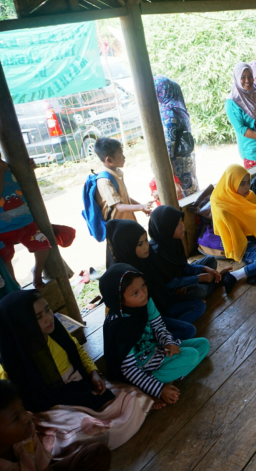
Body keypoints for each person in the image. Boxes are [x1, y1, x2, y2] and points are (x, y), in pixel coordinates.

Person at [0, 290, 152, 456]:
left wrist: (93, 373)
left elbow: (78, 351)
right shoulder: (12, 360)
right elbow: (19, 399)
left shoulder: (57, 334)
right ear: (21, 324)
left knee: (133, 398)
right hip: (50, 406)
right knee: (82, 431)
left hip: (79, 385)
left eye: (48, 309)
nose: (48, 318)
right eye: (38, 317)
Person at [101, 264, 210, 410]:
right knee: (192, 355)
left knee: (203, 344)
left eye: (143, 285)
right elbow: (128, 369)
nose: (143, 293)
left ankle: (168, 379)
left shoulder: (145, 303)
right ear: (119, 299)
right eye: (135, 293)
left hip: (155, 351)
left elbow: (158, 325)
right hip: (140, 368)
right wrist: (159, 389)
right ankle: (150, 388)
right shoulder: (120, 326)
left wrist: (168, 342)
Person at [105, 220, 202, 341]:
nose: (146, 246)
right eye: (140, 244)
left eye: (146, 240)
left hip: (163, 305)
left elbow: (165, 283)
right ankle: (157, 340)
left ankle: (166, 330)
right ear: (127, 246)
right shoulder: (124, 276)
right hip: (147, 319)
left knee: (199, 304)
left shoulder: (149, 258)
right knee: (189, 330)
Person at [0, 380, 112, 471]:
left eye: (22, 409)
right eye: (15, 418)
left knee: (97, 454)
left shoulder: (26, 433)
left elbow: (43, 467)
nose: (25, 417)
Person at [149, 205, 236, 296]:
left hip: (182, 275)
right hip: (172, 288)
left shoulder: (173, 240)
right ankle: (219, 279)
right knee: (200, 291)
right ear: (166, 228)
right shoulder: (158, 253)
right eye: (177, 224)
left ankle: (214, 279)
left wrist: (204, 268)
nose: (182, 226)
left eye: (181, 221)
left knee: (211, 260)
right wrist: (198, 278)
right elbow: (170, 283)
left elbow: (184, 267)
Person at [0, 154, 50, 289]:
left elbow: (22, 177)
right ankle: (15, 286)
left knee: (43, 245)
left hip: (25, 222)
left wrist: (28, 167)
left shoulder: (7, 165)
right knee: (6, 259)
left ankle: (37, 275)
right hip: (2, 230)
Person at [153, 75, 199, 196]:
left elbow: (169, 146)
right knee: (192, 192)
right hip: (187, 159)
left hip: (178, 166)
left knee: (183, 199)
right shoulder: (179, 107)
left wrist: (170, 176)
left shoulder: (167, 111)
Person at [93, 138, 153, 225]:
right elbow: (119, 207)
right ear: (109, 160)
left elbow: (124, 198)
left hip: (127, 222)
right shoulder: (105, 181)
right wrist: (141, 207)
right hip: (118, 228)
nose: (124, 157)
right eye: (120, 155)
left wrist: (142, 207)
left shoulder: (116, 173)